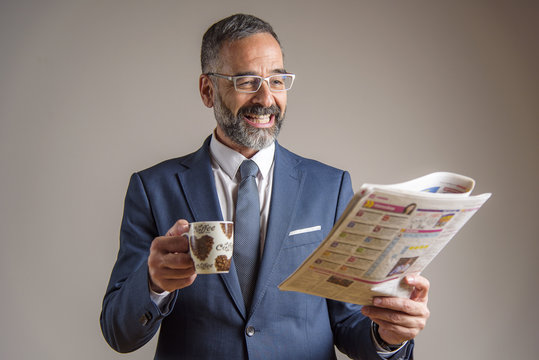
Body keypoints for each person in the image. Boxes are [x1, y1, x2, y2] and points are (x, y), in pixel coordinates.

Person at [100, 14, 430, 360]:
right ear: (207, 89)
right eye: (246, 81)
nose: (266, 98)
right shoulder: (153, 188)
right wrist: (153, 285)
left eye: (276, 80)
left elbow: (348, 321)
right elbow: (118, 333)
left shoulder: (329, 188)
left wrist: (388, 336)